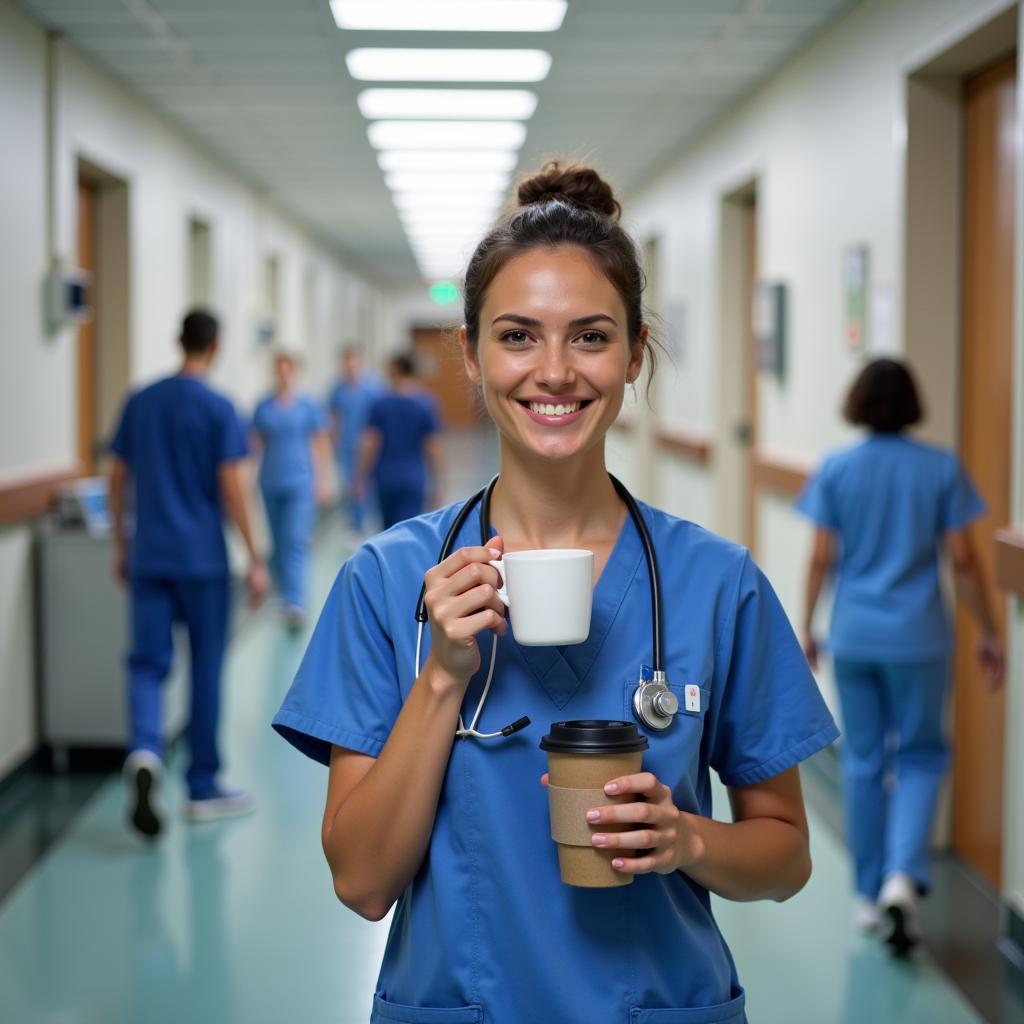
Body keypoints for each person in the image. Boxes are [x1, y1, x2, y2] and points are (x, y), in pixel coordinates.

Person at [272, 162, 839, 1023]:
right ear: (469, 352)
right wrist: (441, 677)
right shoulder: (387, 582)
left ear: (634, 352)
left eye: (590, 336)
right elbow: (360, 881)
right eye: (517, 336)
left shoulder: (717, 585)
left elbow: (786, 855)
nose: (554, 372)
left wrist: (687, 838)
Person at [797, 357, 1005, 955]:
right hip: (920, 639)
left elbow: (820, 558)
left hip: (855, 636)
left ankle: (867, 895)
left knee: (862, 761)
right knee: (919, 755)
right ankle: (901, 878)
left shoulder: (837, 468)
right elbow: (963, 562)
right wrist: (990, 630)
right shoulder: (939, 468)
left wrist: (808, 625)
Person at [109, 308, 268, 839]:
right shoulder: (220, 408)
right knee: (205, 669)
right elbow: (231, 485)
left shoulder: (141, 401)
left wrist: (121, 542)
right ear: (216, 346)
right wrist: (255, 555)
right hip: (202, 561)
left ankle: (146, 750)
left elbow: (116, 477)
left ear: (179, 341)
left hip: (149, 555)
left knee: (148, 664)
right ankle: (202, 786)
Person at [251, 351, 331, 630]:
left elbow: (320, 443)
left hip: (300, 481)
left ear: (294, 372)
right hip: (271, 481)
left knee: (295, 539)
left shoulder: (308, 406)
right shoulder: (264, 406)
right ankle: (284, 594)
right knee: (276, 544)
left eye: (287, 369)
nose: (283, 374)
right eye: (279, 369)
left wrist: (321, 480)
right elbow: (255, 443)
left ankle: (296, 601)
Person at [358, 353, 443, 529]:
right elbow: (432, 446)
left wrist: (360, 477)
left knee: (387, 532)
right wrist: (437, 483)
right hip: (414, 478)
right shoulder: (426, 403)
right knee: (409, 530)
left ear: (395, 370)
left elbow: (370, 443)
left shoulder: (380, 404)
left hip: (385, 477)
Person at [328, 345, 383, 533]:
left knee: (366, 484)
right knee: (350, 485)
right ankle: (356, 524)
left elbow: (378, 420)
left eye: (353, 361)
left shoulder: (372, 387)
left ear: (360, 362)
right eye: (347, 362)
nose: (350, 365)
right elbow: (335, 418)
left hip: (367, 445)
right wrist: (332, 444)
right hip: (345, 446)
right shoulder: (338, 389)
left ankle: (368, 520)